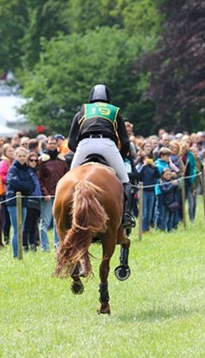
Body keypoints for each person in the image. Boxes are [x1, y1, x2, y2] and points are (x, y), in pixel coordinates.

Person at [67, 84, 135, 228]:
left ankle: (65, 215)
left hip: (84, 144)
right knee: (125, 181)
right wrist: (120, 158)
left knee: (68, 181)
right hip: (107, 145)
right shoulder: (115, 111)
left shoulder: (82, 110)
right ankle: (126, 215)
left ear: (91, 97)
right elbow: (125, 141)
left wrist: (79, 150)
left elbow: (71, 141)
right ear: (108, 98)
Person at [37, 135, 67, 251]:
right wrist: (45, 193)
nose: (52, 145)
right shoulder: (42, 160)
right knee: (45, 221)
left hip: (59, 194)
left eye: (54, 143)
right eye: (50, 143)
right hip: (48, 195)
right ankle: (44, 246)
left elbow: (66, 176)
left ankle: (57, 245)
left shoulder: (62, 159)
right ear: (46, 144)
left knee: (57, 221)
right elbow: (39, 178)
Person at [5, 147, 35, 258]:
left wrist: (25, 186)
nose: (22, 158)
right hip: (13, 201)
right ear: (15, 156)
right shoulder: (13, 169)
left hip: (24, 200)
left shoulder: (27, 169)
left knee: (21, 228)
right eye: (19, 156)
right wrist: (25, 186)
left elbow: (32, 185)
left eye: (23, 156)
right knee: (16, 228)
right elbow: (14, 182)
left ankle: (19, 253)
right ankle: (16, 254)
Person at [24, 152, 42, 251]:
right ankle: (25, 245)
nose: (34, 162)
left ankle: (33, 244)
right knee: (27, 224)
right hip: (29, 199)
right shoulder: (26, 172)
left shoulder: (36, 172)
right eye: (31, 160)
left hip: (37, 199)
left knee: (34, 225)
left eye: (36, 160)